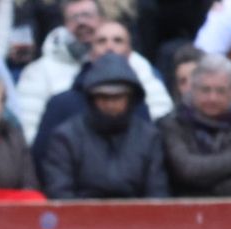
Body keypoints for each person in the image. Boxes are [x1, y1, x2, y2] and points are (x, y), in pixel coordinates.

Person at [15, 0, 169, 139]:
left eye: (87, 15)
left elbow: (160, 113)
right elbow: (29, 130)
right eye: (74, 17)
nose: (81, 22)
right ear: (64, 24)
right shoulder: (39, 71)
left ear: (101, 19)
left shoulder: (134, 62)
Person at [32, 17, 168, 168]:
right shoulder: (60, 104)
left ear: (130, 53)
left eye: (118, 40)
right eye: (101, 41)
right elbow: (42, 158)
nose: (109, 47)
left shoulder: (140, 103)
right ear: (91, 53)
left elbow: (153, 163)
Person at [41, 51, 167, 197]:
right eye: (103, 97)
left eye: (118, 97)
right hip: (81, 216)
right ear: (92, 99)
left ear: (131, 99)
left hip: (138, 217)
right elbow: (60, 194)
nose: (111, 104)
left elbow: (157, 195)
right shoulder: (66, 138)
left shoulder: (149, 138)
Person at [158, 52, 231, 194]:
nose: (212, 98)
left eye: (221, 91)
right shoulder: (173, 123)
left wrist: (212, 191)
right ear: (193, 89)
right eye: (205, 90)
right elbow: (187, 169)